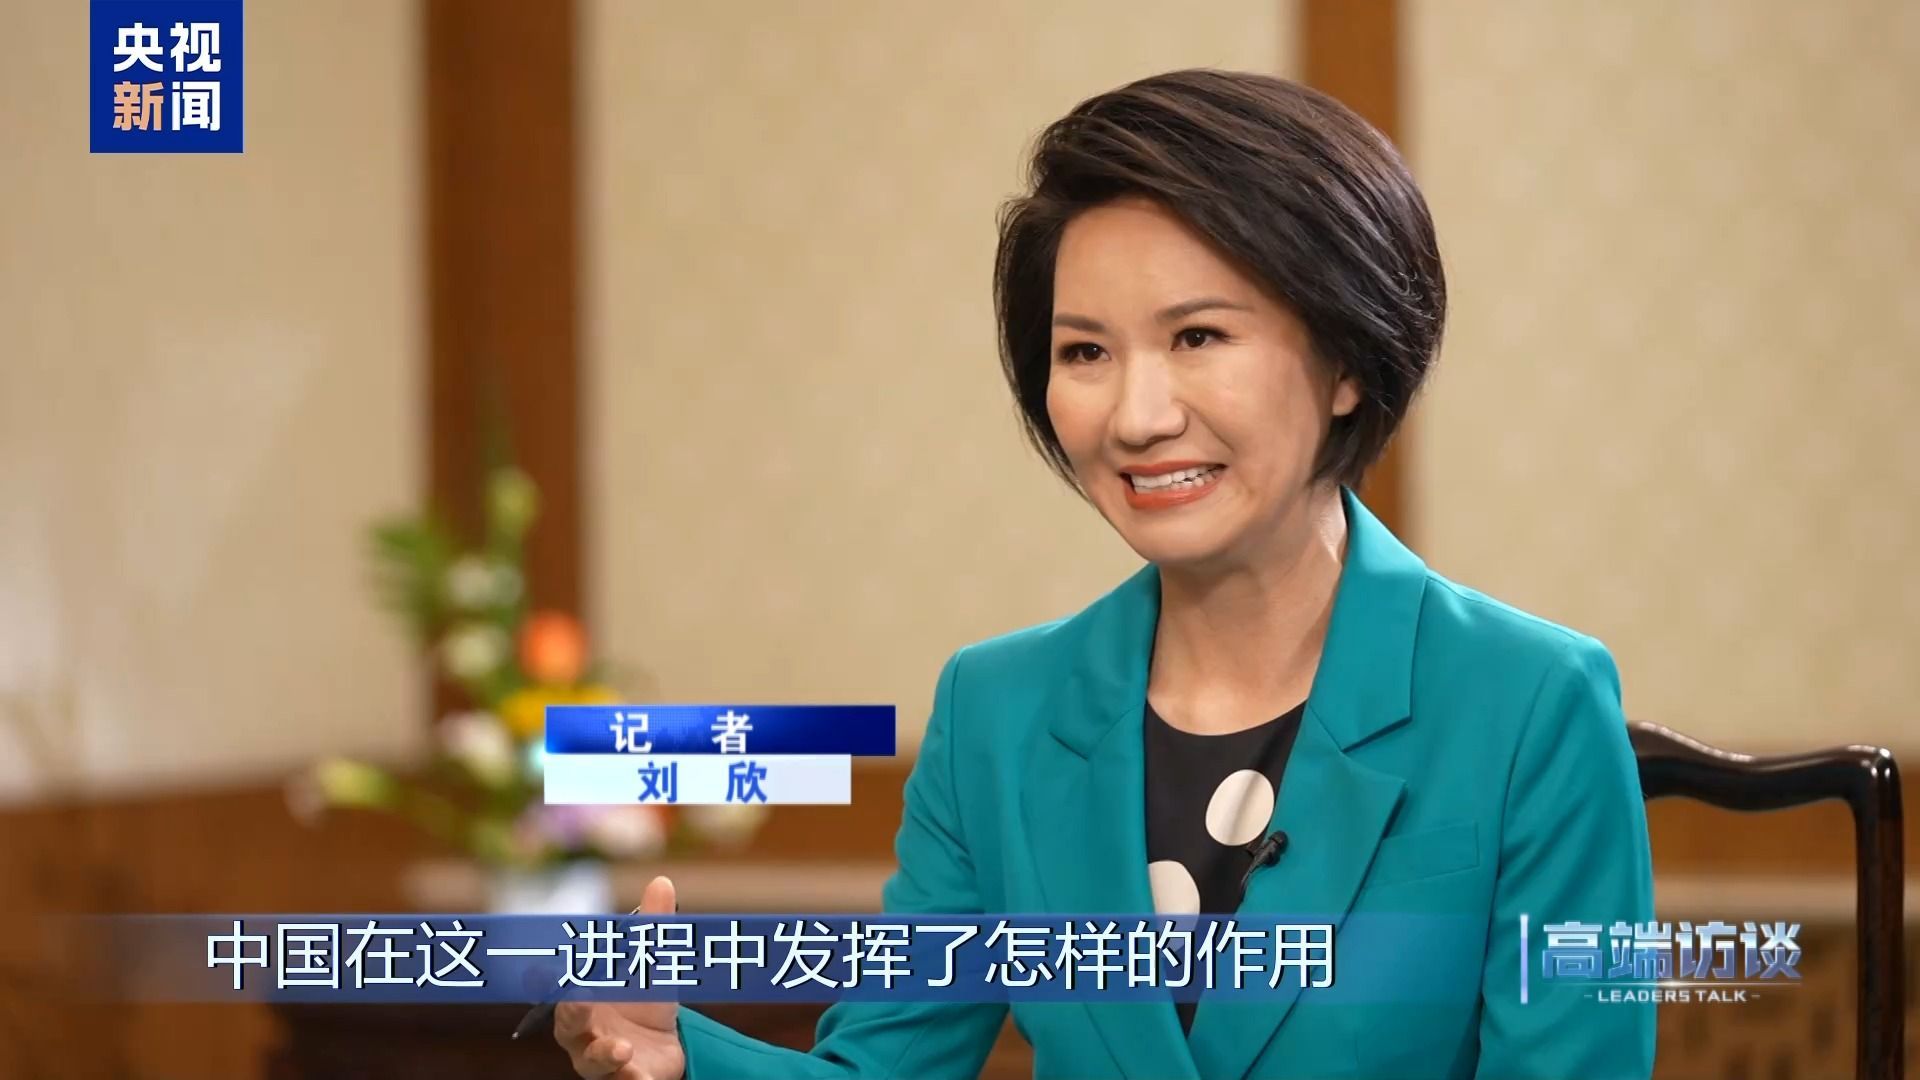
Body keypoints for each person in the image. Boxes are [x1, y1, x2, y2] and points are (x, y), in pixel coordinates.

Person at [557, 68, 1655, 1080]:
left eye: (1198, 337)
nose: (1136, 416)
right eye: (1085, 352)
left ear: (1347, 362)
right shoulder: (998, 714)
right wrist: (684, 1057)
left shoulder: (1532, 703)